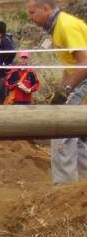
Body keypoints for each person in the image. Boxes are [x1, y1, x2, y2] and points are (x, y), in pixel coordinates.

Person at [26, 0, 87, 183]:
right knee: (80, 133)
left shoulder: (66, 25)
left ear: (45, 9)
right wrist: (61, 92)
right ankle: (82, 186)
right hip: (81, 81)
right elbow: (70, 66)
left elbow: (84, 61)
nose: (30, 18)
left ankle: (64, 187)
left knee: (61, 129)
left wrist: (66, 90)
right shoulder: (57, 28)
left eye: (32, 13)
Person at [0, 21, 17, 105]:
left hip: (0, 76)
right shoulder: (0, 40)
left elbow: (12, 52)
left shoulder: (4, 40)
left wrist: (5, 63)